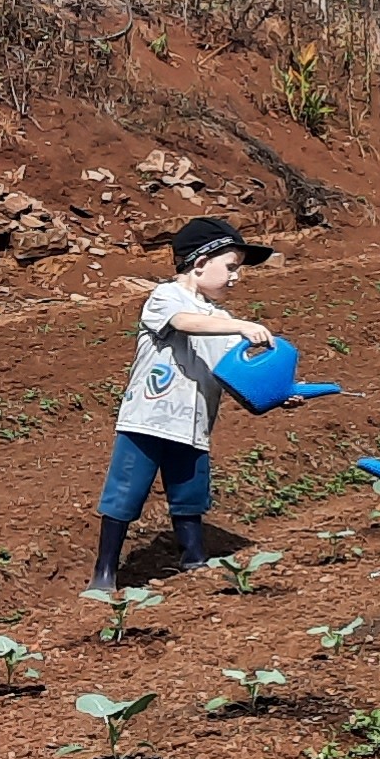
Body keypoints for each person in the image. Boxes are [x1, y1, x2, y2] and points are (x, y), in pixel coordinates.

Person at [93, 218, 279, 594]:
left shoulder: (223, 320)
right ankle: (104, 572)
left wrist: (277, 394)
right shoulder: (166, 297)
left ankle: (193, 559)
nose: (236, 277)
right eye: (230, 267)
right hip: (147, 419)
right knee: (126, 493)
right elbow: (184, 323)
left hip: (193, 423)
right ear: (198, 264)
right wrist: (241, 327)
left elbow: (236, 376)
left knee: (189, 494)